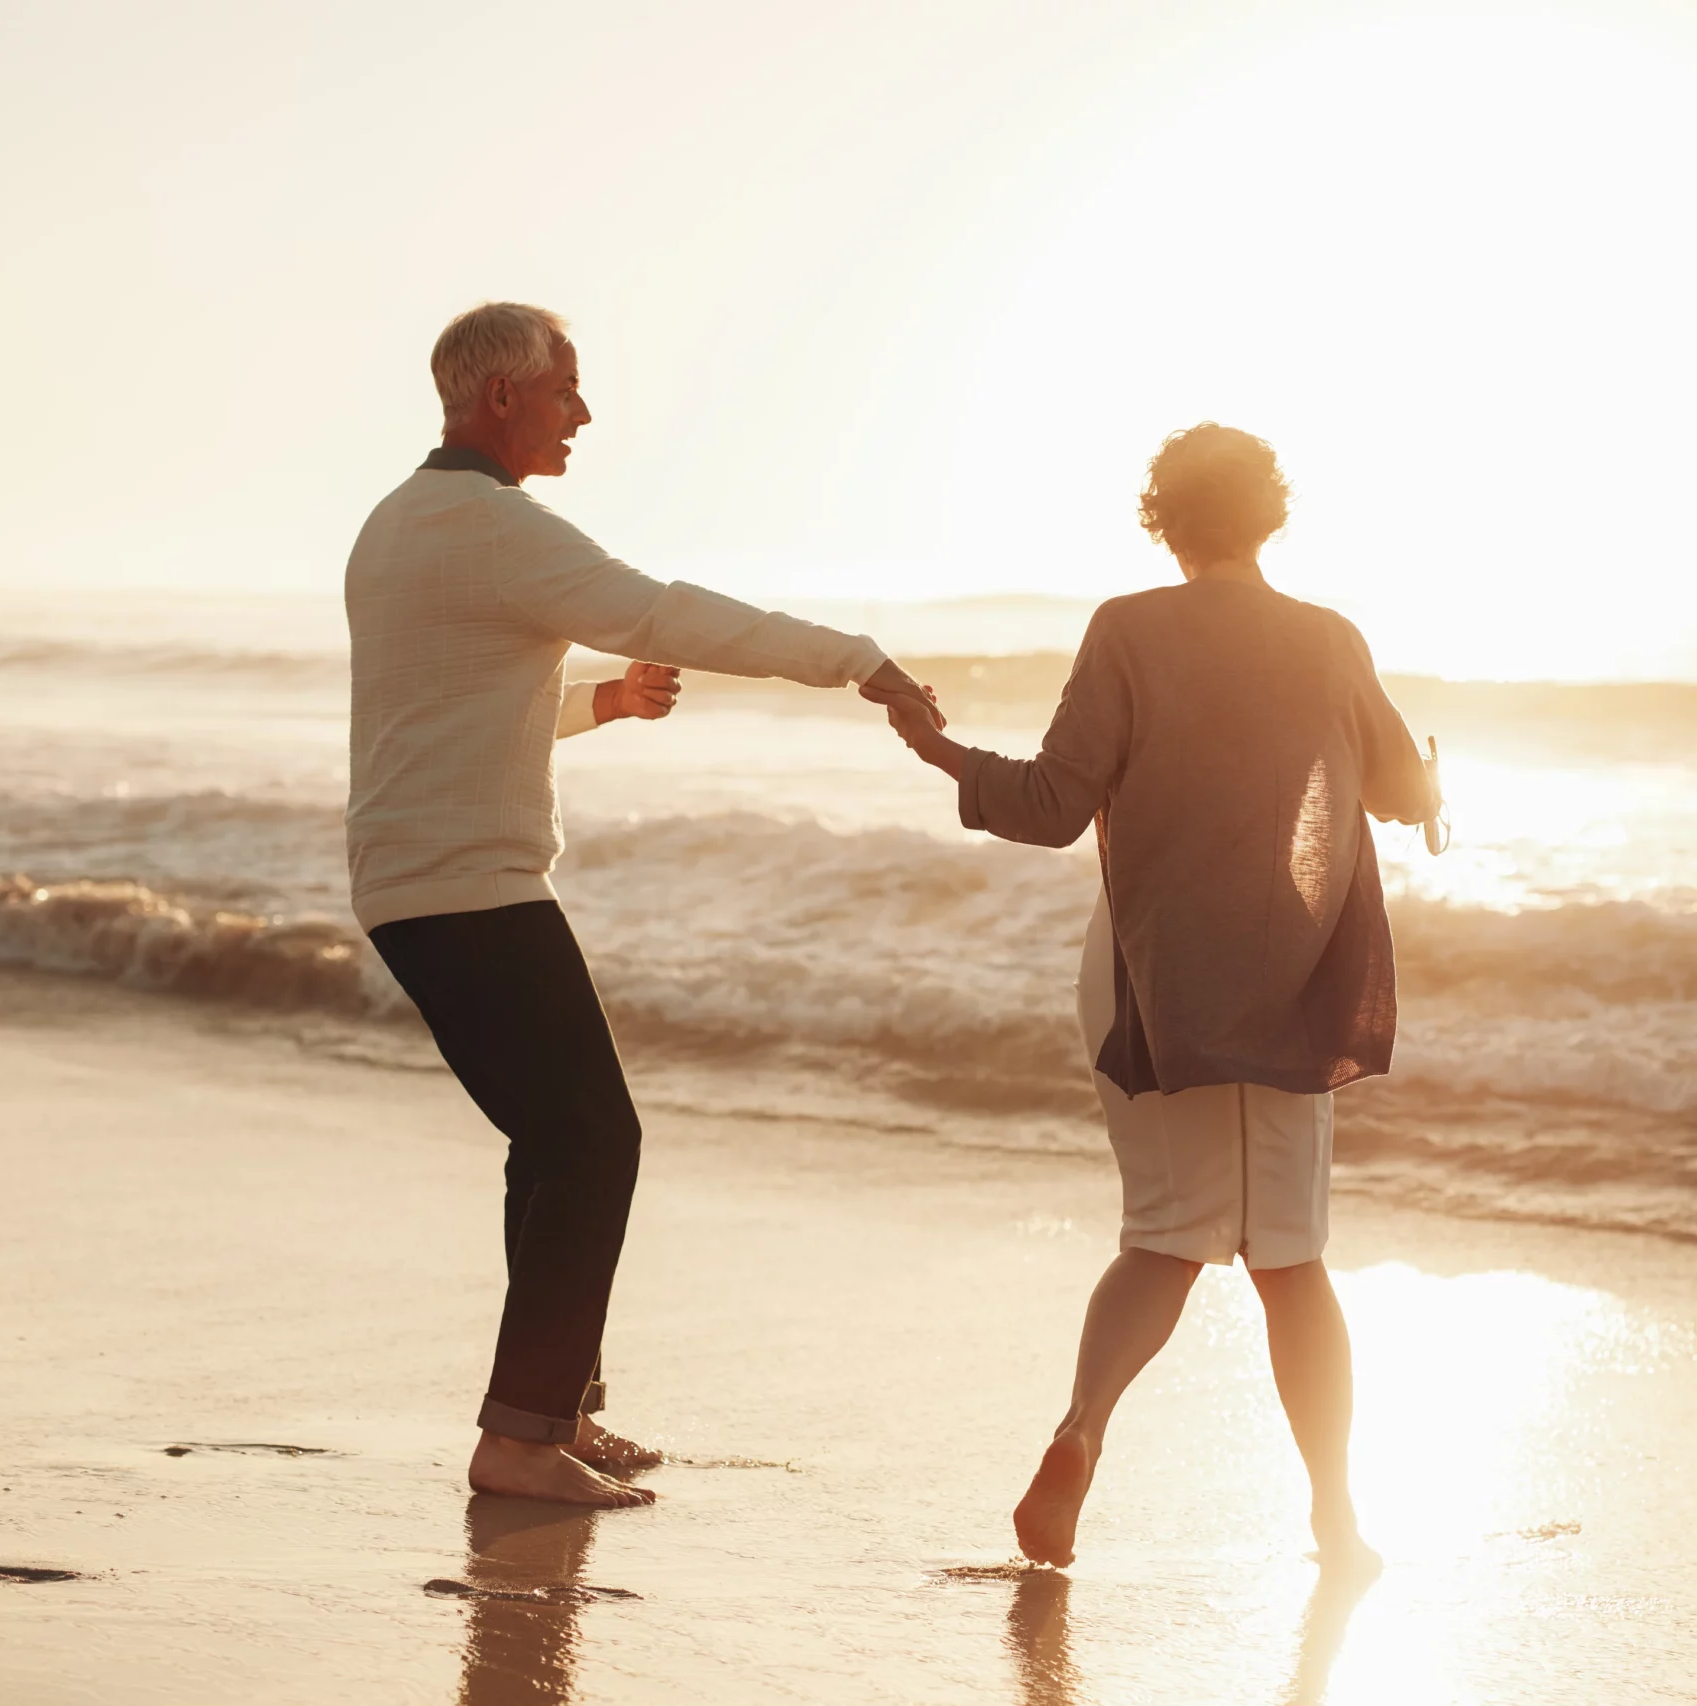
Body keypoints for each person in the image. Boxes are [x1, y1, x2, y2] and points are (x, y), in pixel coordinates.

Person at [347, 301, 940, 1508]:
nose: (584, 411)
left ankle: (549, 1413)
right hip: (471, 888)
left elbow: (446, 711)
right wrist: (856, 658)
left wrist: (597, 708)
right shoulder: (495, 525)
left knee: (551, 1140)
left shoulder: (397, 524)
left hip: (417, 883)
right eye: (567, 387)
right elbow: (671, 609)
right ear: (503, 396)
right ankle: (519, 1440)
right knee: (591, 1138)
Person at [884, 423, 1435, 1569]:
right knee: (1290, 1260)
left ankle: (1080, 1432)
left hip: (1150, 972)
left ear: (1162, 520)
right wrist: (1427, 776)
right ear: (1269, 515)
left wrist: (935, 746)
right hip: (1292, 976)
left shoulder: (1125, 628)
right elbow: (1396, 789)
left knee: (1161, 1237)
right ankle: (1335, 1513)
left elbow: (1045, 804)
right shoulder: (1329, 638)